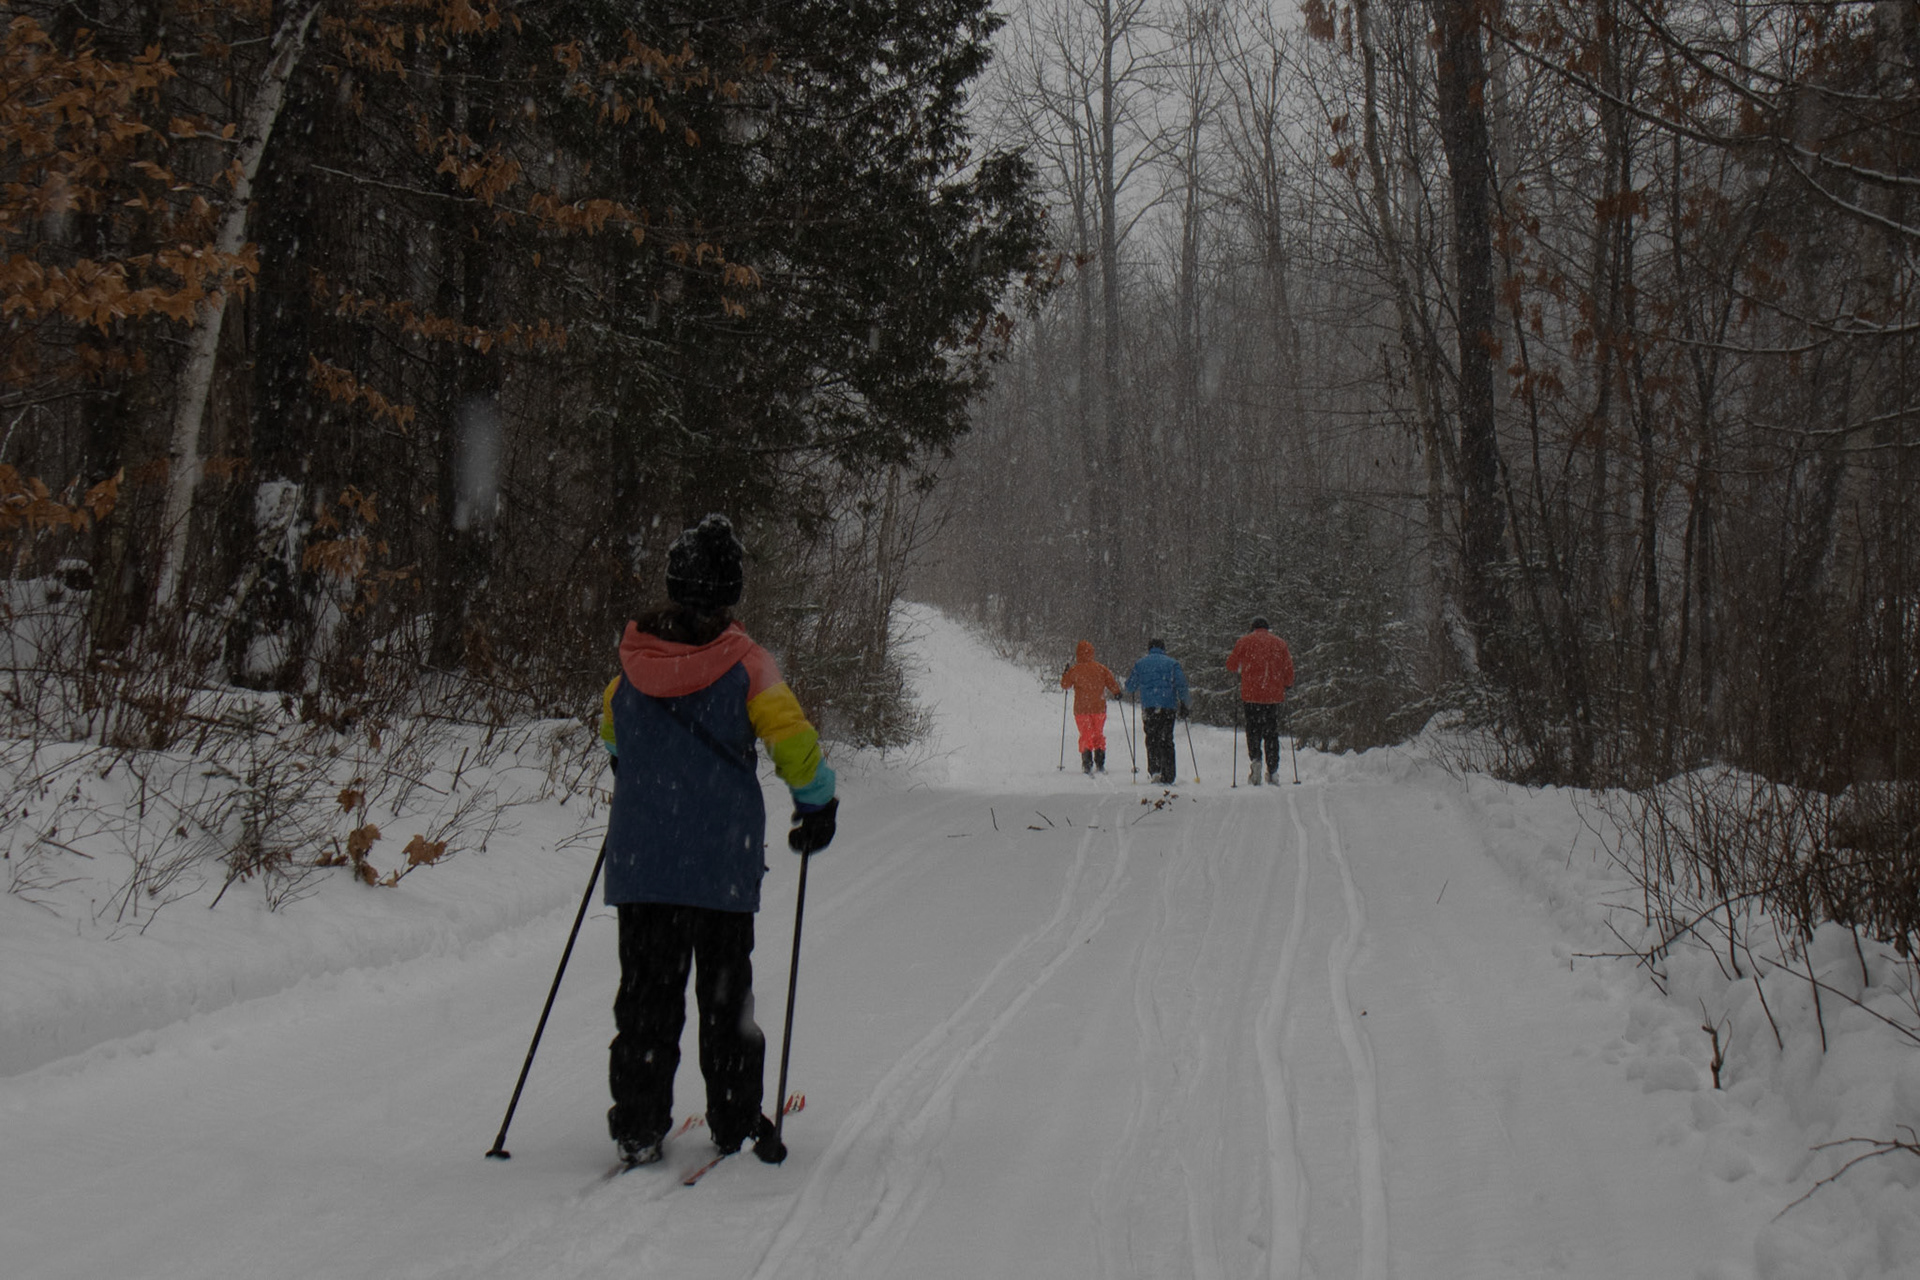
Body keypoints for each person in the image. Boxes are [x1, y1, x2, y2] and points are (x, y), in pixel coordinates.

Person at [597, 514, 838, 1169]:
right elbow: (791, 737)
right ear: (731, 588)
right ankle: (732, 1118)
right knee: (727, 1000)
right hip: (720, 865)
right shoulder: (746, 664)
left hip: (643, 860)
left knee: (645, 997)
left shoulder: (632, 661)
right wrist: (817, 802)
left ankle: (639, 1123)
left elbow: (612, 732)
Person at [1225, 616, 1294, 785]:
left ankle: (1256, 760)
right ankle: (1273, 770)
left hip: (1251, 695)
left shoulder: (1244, 642)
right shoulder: (1280, 643)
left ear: (1253, 628)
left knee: (1253, 729)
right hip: (1272, 696)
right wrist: (1287, 683)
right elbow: (1288, 667)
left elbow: (1231, 665)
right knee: (1271, 732)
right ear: (1267, 628)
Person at [1125, 638, 1190, 785]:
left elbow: (1130, 686)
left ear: (1149, 648)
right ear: (1163, 648)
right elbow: (1181, 685)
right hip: (1168, 707)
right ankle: (1168, 774)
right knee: (1166, 739)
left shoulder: (1141, 664)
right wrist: (1185, 704)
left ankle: (1155, 770)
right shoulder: (1172, 663)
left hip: (1149, 707)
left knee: (1152, 738)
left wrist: (1130, 685)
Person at [1060, 639, 1123, 774]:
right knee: (1098, 734)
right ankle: (1100, 761)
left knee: (1085, 734)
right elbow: (1111, 681)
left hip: (1081, 709)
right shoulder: (1100, 668)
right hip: (1099, 708)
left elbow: (1065, 685)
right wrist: (1117, 692)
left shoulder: (1075, 670)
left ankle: (1087, 761)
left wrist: (1065, 673)